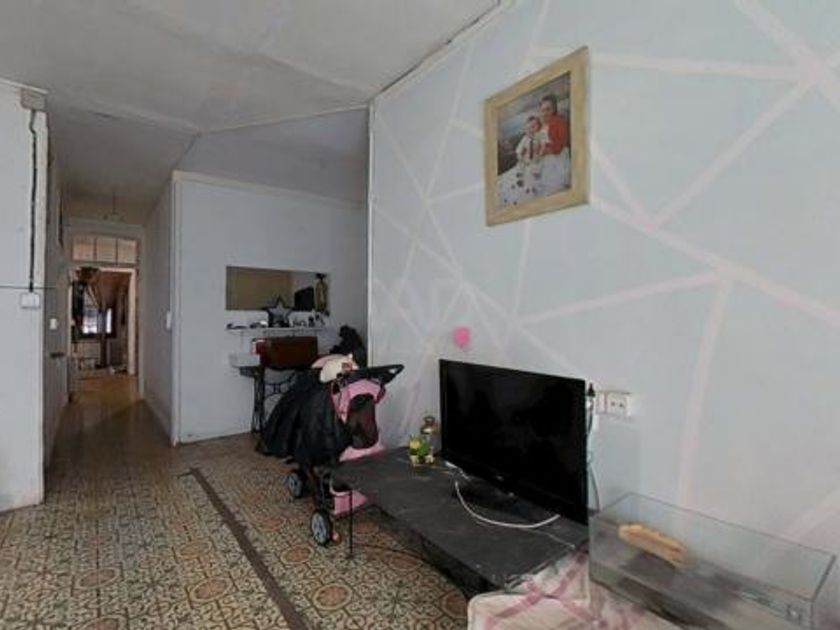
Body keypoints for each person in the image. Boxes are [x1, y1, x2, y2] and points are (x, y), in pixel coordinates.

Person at [538, 93, 572, 193]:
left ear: (554, 109)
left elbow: (561, 144)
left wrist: (546, 150)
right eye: (543, 110)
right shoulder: (542, 124)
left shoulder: (559, 121)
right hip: (546, 158)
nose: (545, 112)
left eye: (548, 109)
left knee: (556, 184)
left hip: (558, 158)